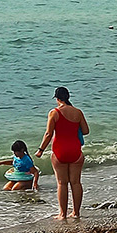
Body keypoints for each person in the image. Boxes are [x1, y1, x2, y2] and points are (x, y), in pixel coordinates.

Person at [39, 86, 88, 220]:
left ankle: (62, 214)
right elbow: (85, 131)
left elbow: (49, 133)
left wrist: (41, 150)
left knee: (62, 183)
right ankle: (76, 213)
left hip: (60, 150)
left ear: (57, 98)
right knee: (76, 182)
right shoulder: (78, 112)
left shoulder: (54, 113)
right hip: (75, 150)